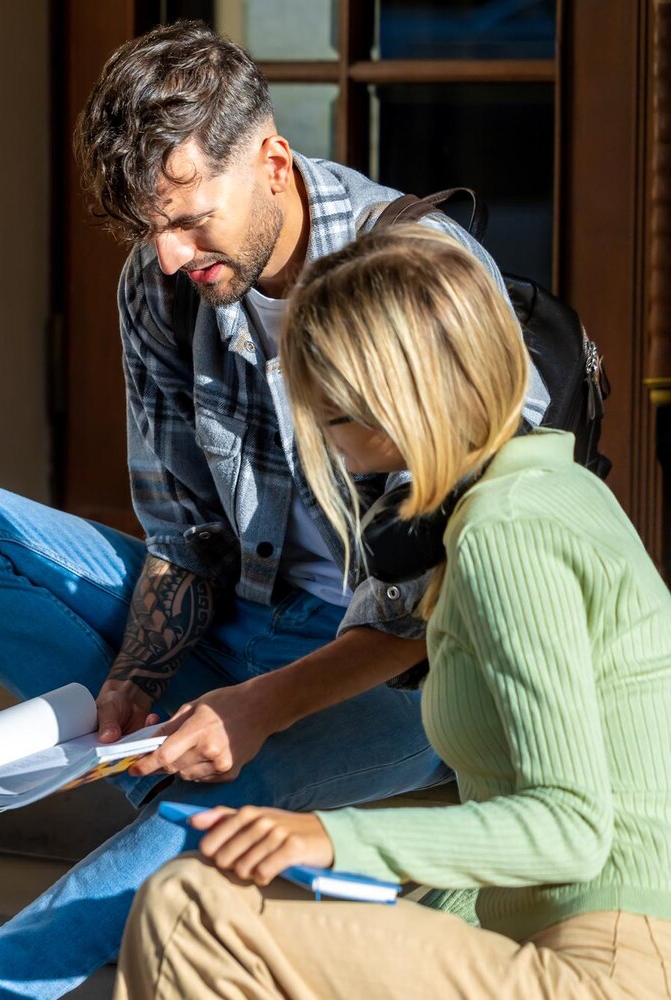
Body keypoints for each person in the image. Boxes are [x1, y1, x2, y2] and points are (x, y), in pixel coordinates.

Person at [0, 20, 550, 1000]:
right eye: (145, 229)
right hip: (241, 622)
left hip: (411, 673)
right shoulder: (163, 286)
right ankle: (199, 768)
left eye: (189, 218)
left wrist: (262, 710)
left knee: (243, 794)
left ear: (272, 160)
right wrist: (134, 682)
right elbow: (182, 531)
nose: (165, 255)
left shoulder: (415, 270)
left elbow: (457, 588)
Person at [115, 223, 671, 999]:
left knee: (189, 913)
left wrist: (330, 835)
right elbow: (513, 794)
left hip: (603, 965)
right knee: (239, 897)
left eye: (326, 410)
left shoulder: (504, 535)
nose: (314, 429)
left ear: (389, 406)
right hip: (560, 939)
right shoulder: (556, 495)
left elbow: (570, 828)